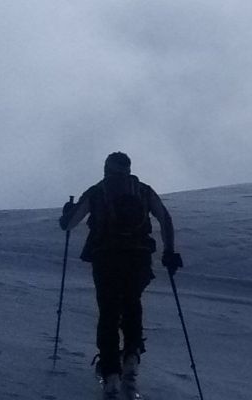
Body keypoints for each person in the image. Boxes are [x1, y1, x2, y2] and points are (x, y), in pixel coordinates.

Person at [60, 152, 183, 397]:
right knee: (132, 304)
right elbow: (165, 218)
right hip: (138, 257)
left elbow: (69, 224)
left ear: (107, 168)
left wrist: (67, 213)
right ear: (128, 168)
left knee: (108, 311)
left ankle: (111, 375)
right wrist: (169, 251)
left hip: (106, 257)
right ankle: (131, 358)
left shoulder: (97, 191)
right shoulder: (143, 190)